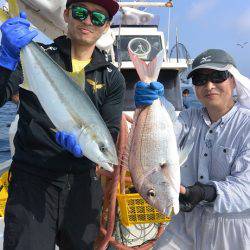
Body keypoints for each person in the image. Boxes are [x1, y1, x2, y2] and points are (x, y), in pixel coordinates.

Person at [0, 0, 125, 249]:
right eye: (80, 12)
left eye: (98, 18)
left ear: (106, 26)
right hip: (31, 183)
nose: (88, 21)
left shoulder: (112, 78)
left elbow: (110, 131)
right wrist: (5, 62)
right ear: (67, 15)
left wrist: (92, 152)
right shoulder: (39, 56)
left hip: (83, 186)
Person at [134, 49, 250, 250]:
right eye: (199, 79)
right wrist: (152, 100)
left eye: (217, 76)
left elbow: (246, 187)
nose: (209, 85)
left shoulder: (246, 125)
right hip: (185, 223)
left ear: (233, 80)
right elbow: (165, 132)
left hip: (232, 229)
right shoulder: (189, 118)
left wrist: (205, 193)